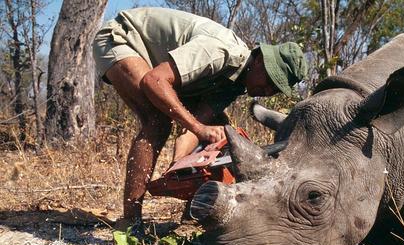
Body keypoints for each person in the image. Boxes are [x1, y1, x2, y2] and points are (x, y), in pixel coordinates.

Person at [92, 7, 307, 229]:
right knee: (156, 122)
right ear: (260, 59)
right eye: (271, 80)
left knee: (221, 132)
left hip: (156, 66)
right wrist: (198, 128)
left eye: (276, 89)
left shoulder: (233, 85)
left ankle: (192, 217)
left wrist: (181, 168)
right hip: (122, 37)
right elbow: (154, 81)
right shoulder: (221, 51)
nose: (269, 91)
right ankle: (130, 222)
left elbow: (197, 127)